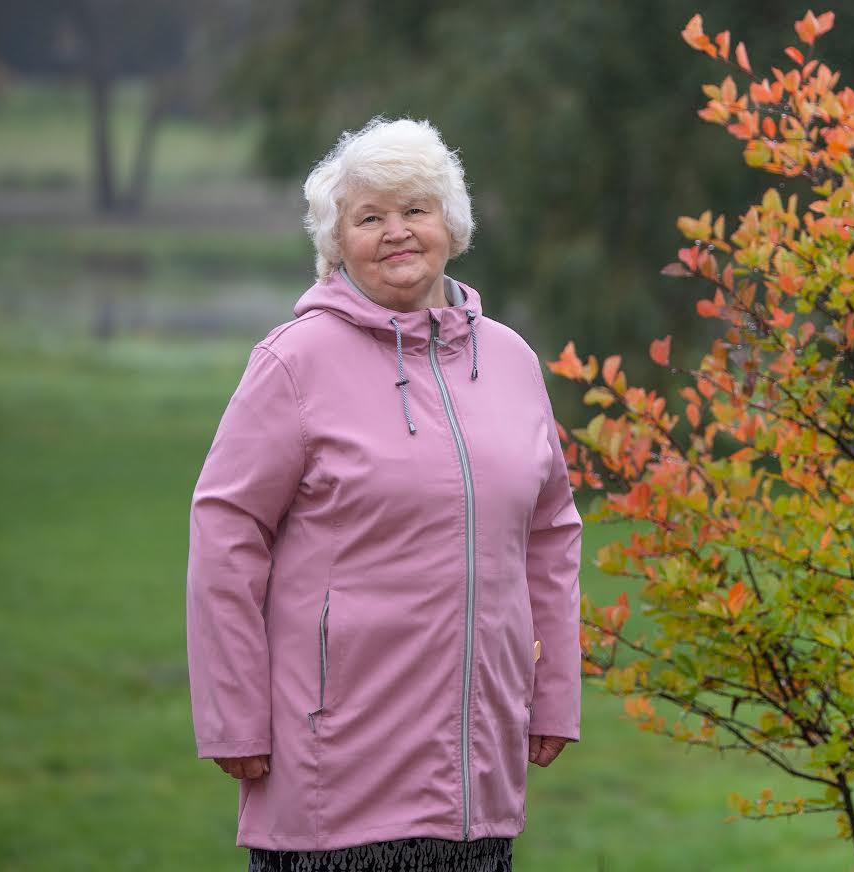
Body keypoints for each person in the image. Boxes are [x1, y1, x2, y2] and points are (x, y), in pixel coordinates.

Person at [185, 116, 582, 872]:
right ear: (338, 243)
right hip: (334, 769)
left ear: (451, 225)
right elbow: (225, 531)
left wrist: (555, 690)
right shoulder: (294, 362)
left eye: (415, 211)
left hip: (477, 777)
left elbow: (551, 532)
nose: (396, 232)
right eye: (370, 218)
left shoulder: (511, 360)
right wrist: (235, 717)